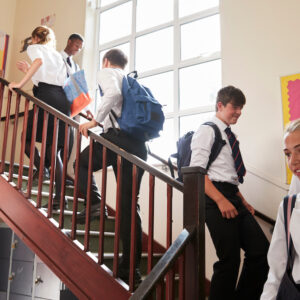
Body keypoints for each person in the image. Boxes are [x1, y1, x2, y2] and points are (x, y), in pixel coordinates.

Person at [190, 86, 269, 300]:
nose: (239, 112)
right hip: (213, 196)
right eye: (235, 107)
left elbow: (229, 176)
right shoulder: (207, 130)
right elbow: (197, 173)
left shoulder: (229, 135)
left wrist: (243, 201)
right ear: (220, 105)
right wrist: (220, 200)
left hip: (231, 194)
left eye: (241, 108)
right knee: (229, 260)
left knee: (260, 250)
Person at [76, 49, 147, 284]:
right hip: (138, 146)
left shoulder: (107, 72)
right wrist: (98, 117)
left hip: (117, 140)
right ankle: (131, 269)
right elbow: (117, 103)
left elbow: (112, 94)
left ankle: (95, 203)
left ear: (107, 61)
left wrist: (95, 121)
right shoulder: (130, 80)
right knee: (128, 208)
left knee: (80, 164)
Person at [8, 26, 72, 209]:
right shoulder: (56, 54)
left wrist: (20, 83)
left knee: (26, 139)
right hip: (62, 99)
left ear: (35, 37)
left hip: (47, 97)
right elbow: (47, 77)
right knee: (54, 151)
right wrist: (28, 70)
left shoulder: (35, 47)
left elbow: (38, 63)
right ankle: (60, 198)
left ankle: (42, 170)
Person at [261, 118, 300, 299]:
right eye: (288, 154)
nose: (293, 162)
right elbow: (276, 271)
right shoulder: (289, 207)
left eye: (299, 150)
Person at [60, 33, 93, 179]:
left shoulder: (76, 65)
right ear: (69, 42)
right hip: (58, 102)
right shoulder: (56, 57)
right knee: (57, 140)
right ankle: (51, 169)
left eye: (80, 48)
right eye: (76, 45)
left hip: (70, 107)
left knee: (69, 142)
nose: (77, 49)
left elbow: (79, 88)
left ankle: (60, 172)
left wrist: (87, 109)